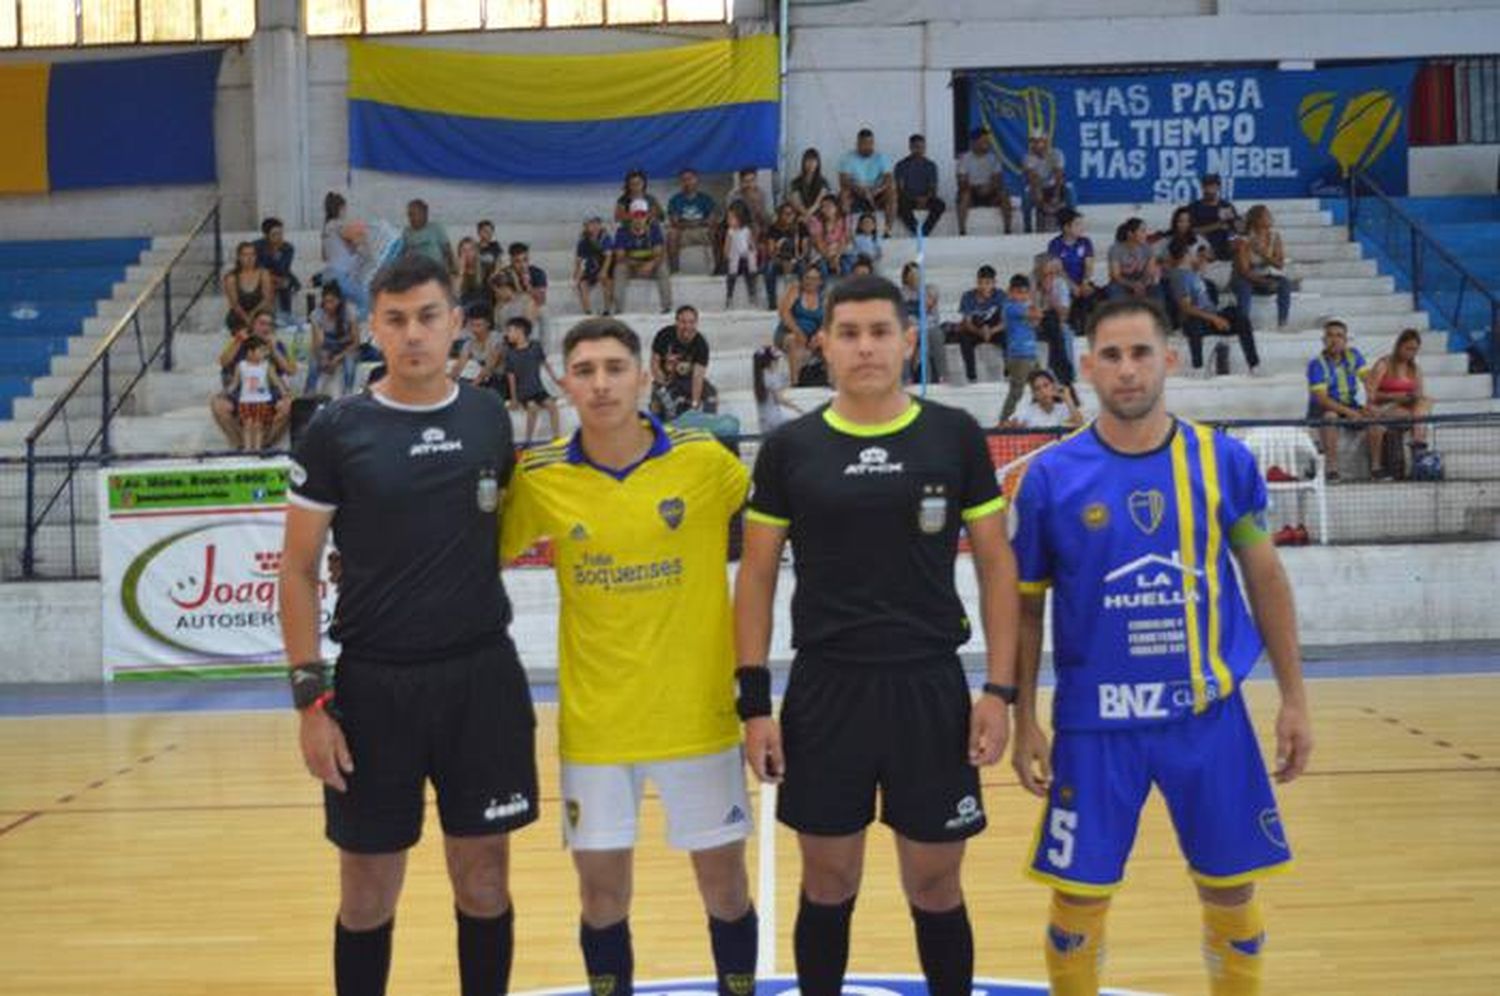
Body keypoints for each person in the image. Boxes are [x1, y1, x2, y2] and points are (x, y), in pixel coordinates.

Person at [1009, 297, 1313, 996]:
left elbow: (1264, 575)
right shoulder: (1051, 478)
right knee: (1078, 903)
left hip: (1209, 719)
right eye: (1110, 356)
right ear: (1086, 367)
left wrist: (1294, 699)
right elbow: (1025, 610)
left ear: (1168, 359)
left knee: (1231, 892)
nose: (1126, 369)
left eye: (1140, 352)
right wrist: (1025, 717)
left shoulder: (1222, 460)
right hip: (1095, 726)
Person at [735, 273, 1019, 996]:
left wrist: (1000, 690)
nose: (866, 348)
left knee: (935, 883)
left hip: (930, 684)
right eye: (850, 333)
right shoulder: (790, 448)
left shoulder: (953, 436)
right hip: (828, 687)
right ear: (821, 343)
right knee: (828, 879)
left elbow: (995, 566)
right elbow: (758, 578)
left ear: (908, 341)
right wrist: (755, 704)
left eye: (880, 332)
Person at [279, 252, 539, 996]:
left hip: (481, 679)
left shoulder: (489, 416)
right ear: (373, 329)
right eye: (395, 320)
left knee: (484, 881)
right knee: (366, 892)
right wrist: (309, 703)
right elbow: (296, 569)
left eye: (429, 316)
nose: (414, 334)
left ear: (457, 323)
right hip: (373, 688)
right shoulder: (336, 431)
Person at [499, 317, 758, 996]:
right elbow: (471, 556)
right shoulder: (542, 476)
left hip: (698, 719)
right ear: (564, 383)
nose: (601, 382)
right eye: (584, 370)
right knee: (601, 897)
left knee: (726, 888)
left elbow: (784, 518)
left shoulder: (705, 461)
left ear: (644, 376)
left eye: (615, 367)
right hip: (597, 729)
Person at [1165, 238, 1262, 378]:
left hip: (1211, 316)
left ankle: (1254, 365)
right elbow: (1186, 308)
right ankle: (1197, 368)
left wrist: (1202, 260)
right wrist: (1215, 318)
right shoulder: (1179, 276)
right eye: (1193, 252)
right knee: (1194, 324)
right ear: (1186, 254)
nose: (1196, 254)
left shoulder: (1191, 272)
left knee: (1241, 318)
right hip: (1197, 319)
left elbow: (1202, 263)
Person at [212, 309, 295, 448]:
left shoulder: (278, 344)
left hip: (269, 393)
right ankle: (241, 444)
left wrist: (274, 350)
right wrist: (238, 342)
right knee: (218, 405)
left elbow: (291, 370)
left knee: (288, 405)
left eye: (269, 325)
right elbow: (223, 362)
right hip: (241, 392)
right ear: (253, 325)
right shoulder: (239, 341)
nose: (266, 328)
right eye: (262, 323)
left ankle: (264, 444)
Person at [1306, 318, 1376, 481]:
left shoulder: (1354, 356)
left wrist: (1370, 403)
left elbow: (1369, 380)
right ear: (1324, 341)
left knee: (1375, 416)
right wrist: (1350, 412)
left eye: (1339, 336)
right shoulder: (1316, 364)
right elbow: (1322, 400)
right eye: (1330, 336)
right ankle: (1331, 469)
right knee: (1331, 416)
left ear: (1345, 340)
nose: (1334, 340)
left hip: (1348, 404)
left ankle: (1376, 468)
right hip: (1321, 408)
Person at [1366, 328, 1434, 479]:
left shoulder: (1415, 369)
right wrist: (1396, 396)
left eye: (1415, 350)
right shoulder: (1384, 364)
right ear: (1399, 346)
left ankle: (1418, 443)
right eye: (1408, 348)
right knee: (1416, 414)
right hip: (1383, 406)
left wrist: (1412, 398)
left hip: (1407, 409)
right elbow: (1371, 395)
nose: (1411, 353)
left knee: (1425, 401)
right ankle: (1418, 446)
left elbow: (1419, 394)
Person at [651, 305, 718, 418]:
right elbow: (654, 365)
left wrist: (695, 405)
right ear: (676, 322)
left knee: (711, 395)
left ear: (696, 323)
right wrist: (663, 385)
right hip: (665, 379)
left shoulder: (701, 344)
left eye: (691, 322)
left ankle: (707, 424)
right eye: (683, 322)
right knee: (667, 403)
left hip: (688, 381)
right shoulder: (664, 335)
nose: (687, 326)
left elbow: (698, 376)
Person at [1232, 206, 1293, 330]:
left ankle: (1283, 323)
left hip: (1266, 277)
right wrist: (1264, 282)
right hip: (1246, 279)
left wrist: (1262, 253)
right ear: (1257, 220)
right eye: (1267, 215)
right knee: (1244, 285)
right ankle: (1243, 324)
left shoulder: (1275, 237)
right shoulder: (1244, 240)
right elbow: (1244, 271)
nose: (1271, 218)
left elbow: (1280, 264)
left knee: (1285, 283)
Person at [504, 316, 562, 444]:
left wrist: (556, 379)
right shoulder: (510, 353)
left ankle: (556, 436)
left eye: (510, 330)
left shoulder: (535, 346)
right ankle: (528, 440)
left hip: (538, 388)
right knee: (532, 408)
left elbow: (545, 364)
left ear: (520, 331)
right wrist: (514, 398)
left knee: (552, 406)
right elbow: (511, 377)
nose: (507, 334)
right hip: (524, 392)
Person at [612, 202, 673, 314]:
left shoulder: (654, 229)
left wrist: (651, 264)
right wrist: (637, 264)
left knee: (663, 268)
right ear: (630, 216)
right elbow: (620, 257)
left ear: (647, 216)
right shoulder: (622, 231)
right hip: (631, 266)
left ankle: (667, 307)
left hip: (650, 267)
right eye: (636, 215)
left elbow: (660, 253)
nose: (639, 218)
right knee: (619, 269)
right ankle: (618, 309)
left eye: (642, 215)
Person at [228, 338, 288, 452]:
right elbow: (235, 383)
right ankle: (247, 449)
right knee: (247, 424)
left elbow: (275, 380)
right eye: (261, 351)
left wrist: (284, 392)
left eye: (264, 351)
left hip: (262, 400)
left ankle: (258, 449)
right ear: (250, 352)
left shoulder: (266, 365)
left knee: (258, 425)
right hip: (245, 400)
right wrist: (228, 391)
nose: (264, 354)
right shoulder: (241, 366)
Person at [838, 128, 898, 237]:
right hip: (856, 193)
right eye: (864, 143)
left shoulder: (881, 157)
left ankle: (887, 230)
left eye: (870, 143)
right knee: (843, 193)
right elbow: (844, 180)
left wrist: (875, 190)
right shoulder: (848, 157)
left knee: (892, 191)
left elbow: (889, 179)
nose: (868, 146)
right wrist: (860, 190)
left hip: (876, 194)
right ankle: (846, 232)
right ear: (857, 143)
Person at [306, 282, 361, 398]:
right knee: (313, 363)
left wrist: (337, 358)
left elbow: (356, 342)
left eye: (331, 301)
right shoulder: (317, 314)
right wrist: (322, 358)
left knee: (349, 365)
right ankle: (308, 394)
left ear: (339, 300)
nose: (328, 306)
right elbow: (316, 343)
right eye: (325, 302)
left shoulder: (349, 311)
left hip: (347, 346)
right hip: (328, 345)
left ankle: (348, 394)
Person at [1000, 274, 1043, 422]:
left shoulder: (1023, 307)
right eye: (1018, 292)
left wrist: (1034, 310)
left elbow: (1036, 321)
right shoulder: (1010, 307)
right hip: (1019, 356)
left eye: (1025, 292)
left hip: (1031, 354)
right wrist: (1034, 306)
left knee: (1040, 389)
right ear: (1010, 292)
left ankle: (1038, 420)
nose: (1022, 296)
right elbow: (1036, 314)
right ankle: (1002, 424)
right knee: (1016, 393)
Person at [775, 266, 826, 387]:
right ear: (802, 279)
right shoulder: (795, 290)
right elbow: (784, 312)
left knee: (828, 342)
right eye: (807, 278)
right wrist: (798, 332)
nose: (810, 281)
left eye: (814, 278)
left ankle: (831, 382)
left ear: (820, 281)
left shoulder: (824, 297)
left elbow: (827, 321)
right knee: (793, 340)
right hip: (788, 332)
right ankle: (795, 383)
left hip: (811, 335)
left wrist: (818, 336)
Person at [1048, 210, 1098, 329]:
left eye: (1081, 224)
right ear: (1066, 227)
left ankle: (1088, 327)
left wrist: (1084, 283)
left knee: (1091, 295)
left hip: (1082, 283)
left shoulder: (1085, 242)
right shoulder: (1055, 244)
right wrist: (1073, 286)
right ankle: (1067, 325)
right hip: (1065, 283)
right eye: (1077, 224)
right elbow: (1058, 269)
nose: (1082, 227)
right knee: (1064, 292)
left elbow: (1089, 265)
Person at [956, 128, 1012, 236]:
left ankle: (1007, 230)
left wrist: (989, 187)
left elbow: (998, 179)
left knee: (1004, 193)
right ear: (974, 142)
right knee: (964, 195)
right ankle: (962, 231)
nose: (987, 143)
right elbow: (962, 182)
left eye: (987, 141)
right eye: (983, 141)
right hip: (972, 192)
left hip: (990, 191)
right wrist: (977, 188)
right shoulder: (965, 158)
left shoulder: (993, 158)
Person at [957, 265, 1005, 384]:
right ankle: (971, 377)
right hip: (976, 329)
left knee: (1010, 335)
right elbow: (967, 323)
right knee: (964, 337)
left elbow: (1006, 322)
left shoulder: (1001, 295)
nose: (984, 287)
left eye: (988, 283)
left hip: (994, 329)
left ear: (994, 283)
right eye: (981, 283)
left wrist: (991, 331)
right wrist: (981, 332)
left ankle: (1009, 373)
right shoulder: (968, 296)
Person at [668, 167, 722, 273]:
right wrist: (698, 222)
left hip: (702, 231)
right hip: (684, 233)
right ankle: (674, 270)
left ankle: (718, 268)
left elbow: (711, 220)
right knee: (672, 234)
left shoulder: (706, 199)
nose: (687, 182)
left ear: (697, 180)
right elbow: (674, 222)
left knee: (717, 232)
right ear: (681, 182)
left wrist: (688, 222)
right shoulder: (675, 200)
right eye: (684, 179)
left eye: (690, 179)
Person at [894, 133, 947, 237]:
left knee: (940, 204)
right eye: (916, 147)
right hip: (908, 199)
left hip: (926, 198)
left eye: (922, 147)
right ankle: (916, 229)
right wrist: (914, 198)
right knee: (900, 205)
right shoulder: (901, 165)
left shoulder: (931, 165)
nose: (919, 150)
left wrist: (926, 198)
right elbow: (900, 189)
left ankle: (924, 231)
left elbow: (933, 187)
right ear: (910, 147)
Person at [1022, 130, 1074, 234]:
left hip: (1055, 186)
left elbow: (1059, 175)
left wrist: (1056, 195)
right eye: (1033, 142)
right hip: (1038, 188)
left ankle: (1072, 223)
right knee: (1026, 196)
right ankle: (1027, 228)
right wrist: (1040, 200)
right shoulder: (1028, 158)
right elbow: (1033, 179)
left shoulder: (1056, 154)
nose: (1035, 144)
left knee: (1070, 191)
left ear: (1045, 142)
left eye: (1038, 141)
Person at [451, 306, 508, 396]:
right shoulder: (469, 343)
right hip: (483, 379)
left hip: (499, 380)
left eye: (479, 325)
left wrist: (472, 386)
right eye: (472, 325)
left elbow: (490, 367)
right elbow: (459, 365)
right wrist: (450, 381)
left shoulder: (496, 338)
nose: (475, 329)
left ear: (488, 324)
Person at [763, 202, 810, 309]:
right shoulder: (773, 229)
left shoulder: (801, 227)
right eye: (786, 214)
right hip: (779, 260)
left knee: (803, 268)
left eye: (791, 213)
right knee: (769, 268)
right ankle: (772, 302)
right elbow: (771, 252)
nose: (789, 216)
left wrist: (794, 261)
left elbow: (805, 250)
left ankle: (804, 300)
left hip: (796, 259)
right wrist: (782, 261)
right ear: (780, 215)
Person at [491, 242, 548, 329]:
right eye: (517, 261)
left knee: (542, 310)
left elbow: (541, 300)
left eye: (525, 260)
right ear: (511, 261)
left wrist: (528, 286)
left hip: (530, 306)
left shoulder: (537, 273)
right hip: (510, 307)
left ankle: (527, 337)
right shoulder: (504, 274)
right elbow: (505, 296)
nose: (522, 265)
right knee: (527, 303)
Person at [1106, 218, 1162, 303]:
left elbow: (1149, 272)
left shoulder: (1148, 248)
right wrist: (1133, 285)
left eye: (1145, 231)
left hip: (1142, 282)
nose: (1145, 234)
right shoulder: (1116, 249)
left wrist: (1141, 285)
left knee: (1158, 292)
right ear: (1130, 234)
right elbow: (1115, 275)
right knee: (1115, 291)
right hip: (1123, 283)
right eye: (1142, 231)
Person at [1006, 368, 1083, 429]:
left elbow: (1080, 424)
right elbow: (1005, 426)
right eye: (1037, 389)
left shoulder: (1063, 408)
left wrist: (1068, 399)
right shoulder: (1026, 410)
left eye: (1046, 385)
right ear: (1034, 394)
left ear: (1053, 387)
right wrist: (1015, 427)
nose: (1043, 391)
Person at [254, 217, 300, 319]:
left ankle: (286, 315)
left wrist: (277, 254)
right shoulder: (257, 247)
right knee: (268, 284)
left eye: (280, 233)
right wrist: (272, 278)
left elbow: (284, 269)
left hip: (281, 276)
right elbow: (258, 269)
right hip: (261, 278)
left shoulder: (287, 248)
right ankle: (265, 316)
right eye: (274, 234)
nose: (279, 237)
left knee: (285, 284)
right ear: (266, 235)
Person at [1188, 173, 1242, 262]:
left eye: (1212, 186)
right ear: (1202, 187)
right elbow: (1191, 231)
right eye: (1206, 186)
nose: (1209, 190)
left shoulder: (1226, 206)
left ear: (1218, 187)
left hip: (1225, 245)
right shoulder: (1194, 207)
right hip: (1204, 246)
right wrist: (1218, 225)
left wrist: (1238, 224)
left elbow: (1235, 229)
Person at [223, 241, 273, 332]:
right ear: (239, 257)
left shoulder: (264, 273)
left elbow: (267, 299)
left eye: (252, 254)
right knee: (238, 323)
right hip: (239, 314)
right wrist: (246, 318)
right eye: (245, 255)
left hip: (259, 312)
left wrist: (252, 315)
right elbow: (234, 304)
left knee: (264, 319)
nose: (249, 258)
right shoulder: (231, 277)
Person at [753, 345, 802, 434]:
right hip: (775, 418)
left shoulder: (759, 377)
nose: (777, 362)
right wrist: (796, 408)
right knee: (799, 422)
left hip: (763, 420)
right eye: (776, 360)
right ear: (769, 362)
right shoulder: (772, 376)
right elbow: (779, 399)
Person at [401, 199, 456, 274]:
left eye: (414, 214)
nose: (412, 218)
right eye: (409, 215)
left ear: (424, 214)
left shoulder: (435, 228)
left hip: (435, 271)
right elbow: (402, 253)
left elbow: (447, 251)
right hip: (415, 272)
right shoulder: (407, 232)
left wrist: (452, 269)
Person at [573, 217, 614, 316]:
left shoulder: (605, 238)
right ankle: (588, 312)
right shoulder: (583, 241)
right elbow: (579, 260)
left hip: (606, 266)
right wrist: (577, 273)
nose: (593, 227)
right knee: (582, 284)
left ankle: (607, 310)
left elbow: (609, 257)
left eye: (596, 224)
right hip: (591, 268)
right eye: (590, 224)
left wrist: (604, 271)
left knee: (608, 282)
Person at [723, 203, 760, 309]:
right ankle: (729, 297)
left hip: (744, 258)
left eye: (731, 218)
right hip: (733, 258)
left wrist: (753, 250)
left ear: (740, 219)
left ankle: (752, 294)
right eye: (728, 218)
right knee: (731, 276)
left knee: (749, 273)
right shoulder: (730, 232)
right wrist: (726, 255)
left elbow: (751, 243)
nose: (728, 221)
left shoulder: (746, 231)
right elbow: (727, 245)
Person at [807, 198, 854, 276]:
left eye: (829, 206)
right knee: (823, 268)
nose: (825, 209)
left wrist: (836, 258)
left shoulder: (845, 219)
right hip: (822, 252)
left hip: (840, 251)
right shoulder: (815, 220)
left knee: (848, 265)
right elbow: (818, 243)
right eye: (823, 207)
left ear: (836, 207)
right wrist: (829, 259)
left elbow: (845, 240)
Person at [787, 148, 835, 222]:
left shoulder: (823, 182)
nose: (811, 164)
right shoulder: (796, 182)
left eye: (814, 161)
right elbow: (797, 204)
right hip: (800, 215)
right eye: (808, 160)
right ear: (803, 162)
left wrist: (808, 216)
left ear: (818, 163)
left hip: (817, 216)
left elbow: (818, 203)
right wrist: (806, 215)